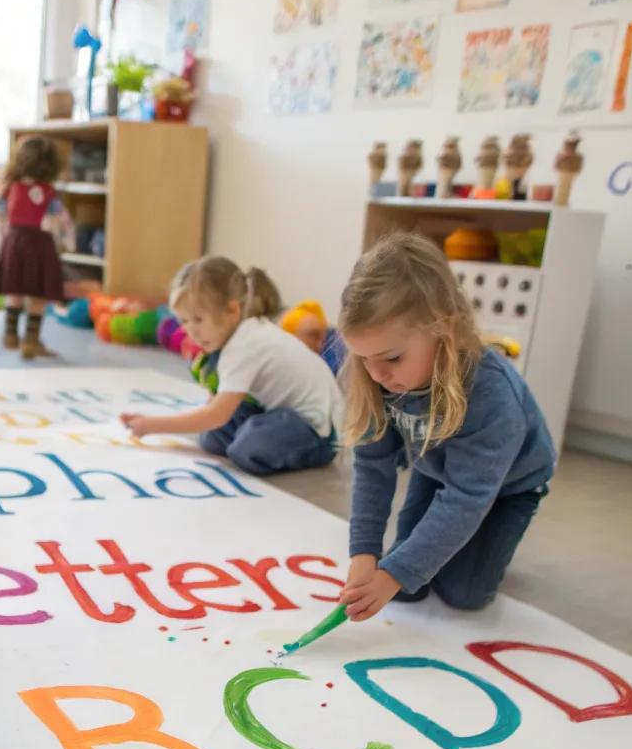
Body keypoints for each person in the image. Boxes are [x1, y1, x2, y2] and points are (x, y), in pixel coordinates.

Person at [337, 231, 555, 621]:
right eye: (363, 358)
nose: (377, 374)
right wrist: (364, 554)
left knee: (464, 593)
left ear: (444, 330)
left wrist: (394, 573)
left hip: (509, 487)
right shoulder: (375, 375)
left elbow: (467, 496)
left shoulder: (490, 393)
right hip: (435, 465)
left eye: (391, 357)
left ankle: (495, 537)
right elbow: (373, 466)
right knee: (406, 585)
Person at [121, 255, 341, 475]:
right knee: (211, 438)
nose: (191, 331)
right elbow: (213, 408)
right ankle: (257, 433)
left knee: (247, 448)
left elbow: (216, 414)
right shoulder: (239, 336)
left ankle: (316, 451)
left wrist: (150, 425)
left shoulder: (243, 346)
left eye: (198, 319)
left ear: (232, 311)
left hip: (314, 428)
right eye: (184, 321)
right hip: (277, 412)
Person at [0, 135, 69, 359]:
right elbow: (58, 216)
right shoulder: (48, 192)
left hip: (15, 240)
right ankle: (31, 340)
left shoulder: (11, 187)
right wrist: (65, 238)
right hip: (40, 243)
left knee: (15, 289)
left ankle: (10, 334)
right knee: (38, 294)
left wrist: (4, 226)